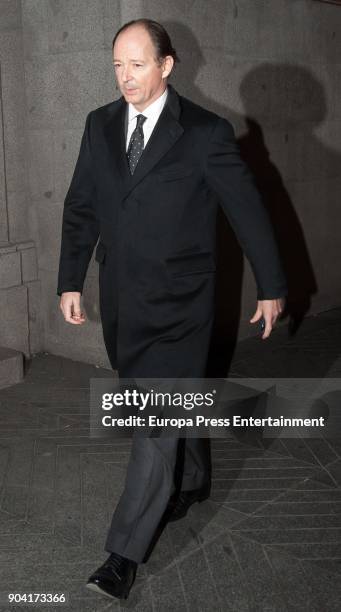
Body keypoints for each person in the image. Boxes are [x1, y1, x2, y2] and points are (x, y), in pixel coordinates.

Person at [57, 18, 287, 601]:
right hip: (123, 300)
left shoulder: (206, 133)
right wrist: (70, 281)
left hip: (183, 305)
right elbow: (81, 206)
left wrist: (271, 285)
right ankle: (194, 477)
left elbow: (248, 211)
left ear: (166, 65)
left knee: (156, 418)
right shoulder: (99, 124)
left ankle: (121, 555)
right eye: (116, 65)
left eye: (137, 64)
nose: (125, 77)